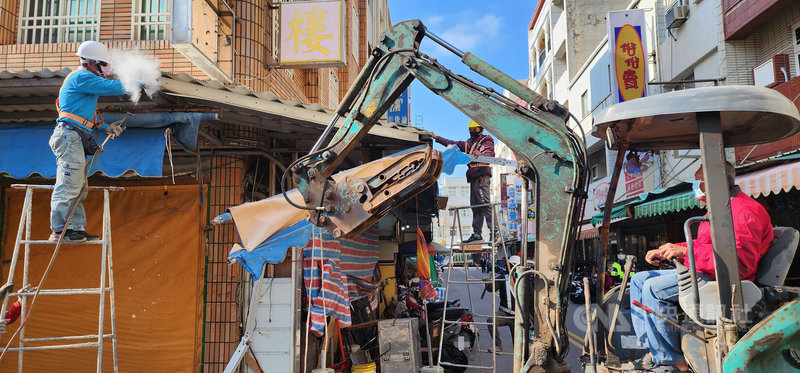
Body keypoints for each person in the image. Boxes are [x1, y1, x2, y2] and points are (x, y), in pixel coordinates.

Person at [629, 162, 773, 373]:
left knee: (653, 288)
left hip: (726, 281)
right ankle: (653, 348)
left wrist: (685, 252)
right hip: (707, 271)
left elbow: (739, 264)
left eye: (699, 183)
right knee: (639, 279)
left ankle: (672, 362)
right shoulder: (721, 208)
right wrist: (671, 248)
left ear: (712, 184)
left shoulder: (743, 211)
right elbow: (706, 246)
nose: (695, 189)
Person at [49, 41, 128, 243]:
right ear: (92, 63)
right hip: (69, 136)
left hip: (74, 135)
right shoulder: (82, 77)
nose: (107, 69)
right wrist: (138, 81)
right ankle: (60, 230)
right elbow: (114, 87)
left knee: (78, 185)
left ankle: (74, 228)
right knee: (70, 183)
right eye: (104, 64)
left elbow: (85, 117)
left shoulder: (84, 82)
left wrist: (106, 127)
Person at [431, 120, 496, 243]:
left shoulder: (486, 140)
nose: (472, 132)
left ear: (481, 130)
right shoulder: (469, 143)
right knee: (476, 206)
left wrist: (481, 153)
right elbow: (452, 143)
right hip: (474, 177)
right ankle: (477, 234)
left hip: (482, 174)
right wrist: (437, 138)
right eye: (470, 130)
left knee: (484, 204)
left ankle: (494, 231)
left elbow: (489, 153)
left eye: (474, 130)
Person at [485, 255, 519, 352]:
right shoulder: (503, 278)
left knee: (518, 345)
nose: (511, 268)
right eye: (510, 266)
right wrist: (488, 284)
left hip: (518, 316)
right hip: (504, 314)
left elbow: (530, 300)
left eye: (513, 266)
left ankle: (522, 362)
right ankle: (498, 346)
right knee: (491, 320)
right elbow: (492, 288)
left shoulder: (524, 279)